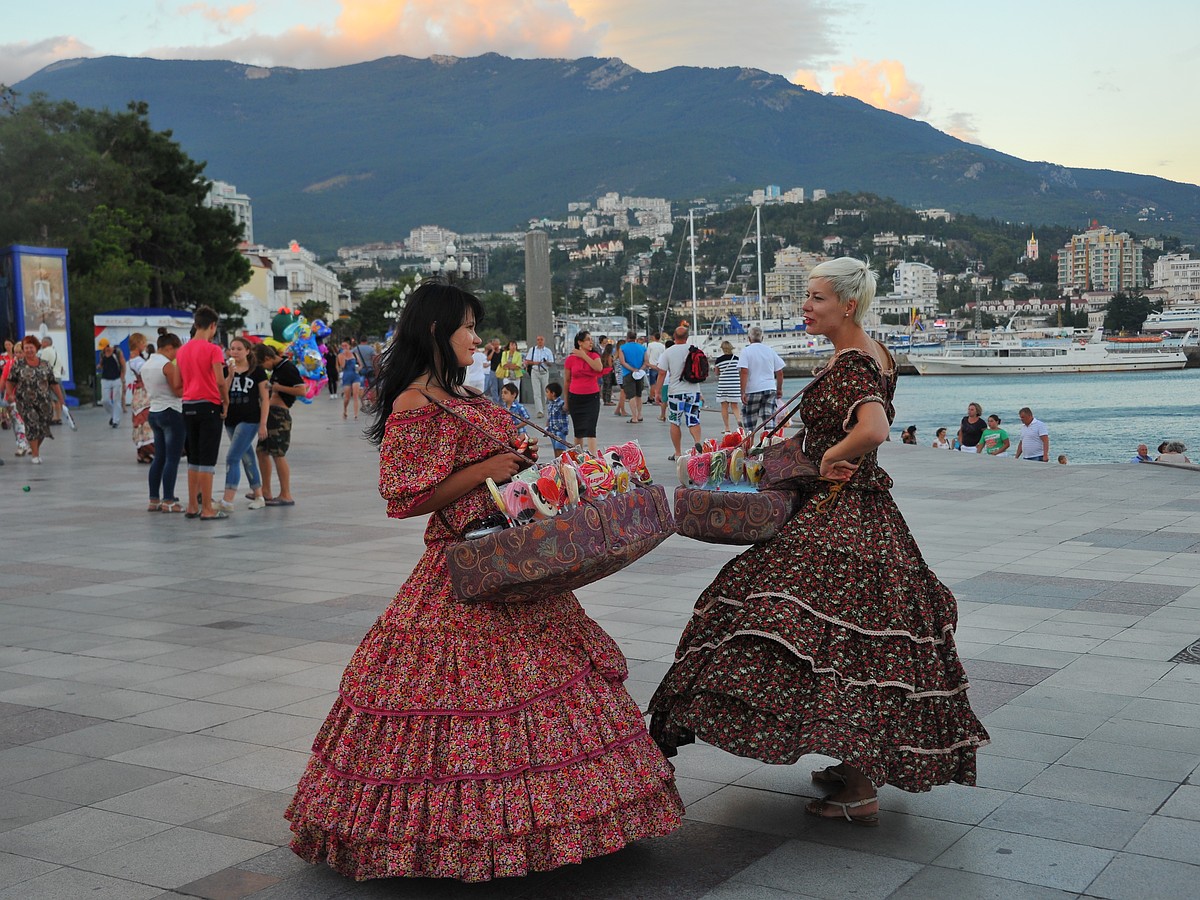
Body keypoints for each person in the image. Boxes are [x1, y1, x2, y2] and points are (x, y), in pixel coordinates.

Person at [285, 282, 683, 881]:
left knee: (545, 691)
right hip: (465, 571)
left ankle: (565, 821)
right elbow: (404, 496)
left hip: (512, 559)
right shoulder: (415, 404)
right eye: (468, 327)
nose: (477, 337)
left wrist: (518, 464)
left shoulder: (461, 392)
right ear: (434, 333)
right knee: (460, 703)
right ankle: (464, 840)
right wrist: (487, 468)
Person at [649, 257, 989, 827]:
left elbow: (874, 429)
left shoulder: (853, 363)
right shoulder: (871, 354)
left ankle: (858, 787)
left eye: (816, 298)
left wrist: (830, 456)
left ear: (847, 305)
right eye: (806, 297)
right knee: (851, 643)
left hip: (843, 515)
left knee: (800, 626)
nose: (805, 307)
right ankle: (852, 763)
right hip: (863, 517)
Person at [176, 306, 230, 519]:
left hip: (188, 405)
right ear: (213, 326)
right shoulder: (213, 349)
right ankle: (207, 508)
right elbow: (219, 380)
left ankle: (192, 505)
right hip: (208, 406)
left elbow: (178, 382)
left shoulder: (182, 350)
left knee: (194, 459)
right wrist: (225, 401)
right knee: (207, 461)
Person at [218, 337, 269, 512]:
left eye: (239, 348)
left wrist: (263, 424)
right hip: (230, 419)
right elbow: (222, 393)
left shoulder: (257, 371)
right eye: (232, 348)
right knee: (247, 457)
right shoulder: (226, 370)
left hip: (250, 419)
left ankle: (227, 501)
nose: (235, 352)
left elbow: (265, 399)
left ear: (247, 351)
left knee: (232, 458)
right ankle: (259, 495)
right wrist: (230, 376)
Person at [254, 343, 306, 506]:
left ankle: (285, 493)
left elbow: (302, 391)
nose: (264, 369)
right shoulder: (277, 369)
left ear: (268, 358)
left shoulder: (288, 368)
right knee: (262, 451)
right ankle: (266, 490)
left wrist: (278, 387)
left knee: (278, 453)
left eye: (263, 364)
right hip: (270, 414)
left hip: (280, 416)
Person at [4, 335, 65, 464]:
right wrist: (10, 394)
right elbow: (10, 381)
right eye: (26, 348)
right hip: (25, 401)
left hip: (44, 401)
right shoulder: (18, 364)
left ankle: (34, 447)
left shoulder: (45, 364)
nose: (29, 350)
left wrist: (61, 399)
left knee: (43, 427)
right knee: (32, 424)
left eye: (31, 348)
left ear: (36, 348)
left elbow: (53, 383)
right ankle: (35, 455)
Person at [142, 330, 185, 512]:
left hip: (154, 411)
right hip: (171, 411)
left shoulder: (147, 364)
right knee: (172, 459)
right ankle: (169, 500)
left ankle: (154, 499)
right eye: (176, 351)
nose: (177, 355)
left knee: (159, 457)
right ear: (169, 348)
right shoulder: (167, 366)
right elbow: (178, 391)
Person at [654, 327, 703, 461]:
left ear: (674, 337)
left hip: (675, 393)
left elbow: (662, 373)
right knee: (693, 420)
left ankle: (677, 453)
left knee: (675, 422)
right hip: (693, 391)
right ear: (687, 337)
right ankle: (698, 442)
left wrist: (657, 391)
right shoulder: (694, 350)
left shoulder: (668, 352)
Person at [562, 330, 609, 455]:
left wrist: (583, 355)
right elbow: (567, 381)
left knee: (590, 429)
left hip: (591, 397)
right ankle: (579, 457)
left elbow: (598, 368)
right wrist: (566, 401)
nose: (591, 342)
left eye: (591, 339)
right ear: (580, 342)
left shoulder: (594, 356)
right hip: (575, 397)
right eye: (588, 339)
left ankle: (593, 459)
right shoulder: (570, 359)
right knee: (578, 430)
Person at [739, 326, 785, 433]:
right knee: (769, 420)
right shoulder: (770, 351)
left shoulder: (746, 351)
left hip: (753, 389)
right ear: (762, 337)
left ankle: (749, 446)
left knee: (749, 422)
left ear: (749, 338)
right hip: (769, 388)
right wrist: (779, 389)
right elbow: (780, 372)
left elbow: (744, 372)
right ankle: (769, 445)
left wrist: (743, 392)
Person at [126, 332, 155, 463]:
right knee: (145, 420)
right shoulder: (136, 360)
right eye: (143, 343)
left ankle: (143, 451)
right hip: (143, 394)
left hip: (143, 392)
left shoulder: (137, 358)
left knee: (144, 421)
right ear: (138, 344)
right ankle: (146, 449)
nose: (145, 345)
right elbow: (145, 372)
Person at [617, 329, 648, 423]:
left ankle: (634, 417)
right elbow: (646, 362)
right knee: (639, 395)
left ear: (627, 338)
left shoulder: (622, 348)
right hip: (640, 374)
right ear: (635, 338)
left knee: (631, 396)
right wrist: (640, 369)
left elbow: (622, 362)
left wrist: (632, 369)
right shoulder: (642, 348)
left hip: (628, 373)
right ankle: (639, 415)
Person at [713, 340, 741, 433]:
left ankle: (727, 428)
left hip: (724, 385)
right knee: (735, 406)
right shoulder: (737, 359)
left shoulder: (719, 360)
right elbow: (740, 371)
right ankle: (739, 420)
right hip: (735, 385)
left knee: (724, 407)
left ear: (722, 349)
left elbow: (716, 373)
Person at [97, 338, 126, 428]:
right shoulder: (102, 354)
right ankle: (114, 415)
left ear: (108, 346)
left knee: (117, 400)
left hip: (116, 378)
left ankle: (115, 421)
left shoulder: (117, 352)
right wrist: (99, 366)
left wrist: (122, 378)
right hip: (105, 379)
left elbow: (123, 365)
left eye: (104, 347)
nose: (103, 349)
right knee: (105, 401)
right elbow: (101, 363)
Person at [37, 336, 65, 424]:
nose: (41, 344)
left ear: (46, 343)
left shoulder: (46, 351)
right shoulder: (56, 352)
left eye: (42, 342)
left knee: (51, 399)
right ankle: (58, 417)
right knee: (57, 399)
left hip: (50, 378)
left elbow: (43, 364)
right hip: (58, 377)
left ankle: (52, 417)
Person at [524, 335, 553, 417]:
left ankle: (543, 407)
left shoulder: (548, 351)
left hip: (544, 372)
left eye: (541, 340)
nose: (540, 341)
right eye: (538, 340)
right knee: (536, 393)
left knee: (545, 391)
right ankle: (539, 411)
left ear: (544, 341)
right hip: (535, 371)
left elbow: (551, 363)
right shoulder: (532, 350)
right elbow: (527, 361)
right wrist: (535, 363)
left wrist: (546, 362)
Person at [337, 339, 363, 419]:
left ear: (349, 346)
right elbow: (342, 366)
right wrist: (344, 356)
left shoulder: (354, 354)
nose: (344, 347)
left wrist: (359, 368)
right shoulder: (340, 355)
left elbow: (361, 364)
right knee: (347, 397)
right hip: (346, 376)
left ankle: (355, 414)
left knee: (355, 395)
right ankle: (345, 409)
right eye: (343, 346)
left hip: (355, 375)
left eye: (346, 346)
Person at [545, 381, 569, 452]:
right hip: (552, 431)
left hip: (560, 430)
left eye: (547, 392)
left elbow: (566, 409)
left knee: (560, 449)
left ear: (553, 393)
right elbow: (549, 417)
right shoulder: (550, 405)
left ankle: (562, 463)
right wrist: (546, 428)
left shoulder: (561, 403)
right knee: (555, 449)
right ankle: (557, 463)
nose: (546, 394)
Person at [645, 331, 666, 406]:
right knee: (659, 383)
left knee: (652, 383)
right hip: (660, 366)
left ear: (654, 337)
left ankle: (651, 398)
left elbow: (647, 355)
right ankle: (659, 397)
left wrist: (647, 364)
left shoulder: (650, 345)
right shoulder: (662, 346)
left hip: (652, 366)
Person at [483, 338, 502, 403]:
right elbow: (488, 359)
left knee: (501, 387)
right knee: (494, 388)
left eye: (497, 344)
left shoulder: (502, 352)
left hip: (501, 371)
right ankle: (495, 402)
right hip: (493, 371)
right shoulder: (491, 351)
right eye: (494, 344)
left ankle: (501, 402)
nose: (495, 346)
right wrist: (493, 351)